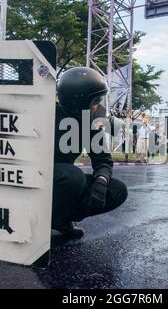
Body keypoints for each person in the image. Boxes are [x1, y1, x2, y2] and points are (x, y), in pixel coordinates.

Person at [52, 67, 128, 239]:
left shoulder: (90, 123)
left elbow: (103, 161)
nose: (99, 106)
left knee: (117, 190)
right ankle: (40, 219)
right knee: (73, 176)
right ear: (77, 101)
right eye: (96, 101)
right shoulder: (45, 114)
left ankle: (61, 220)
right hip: (38, 179)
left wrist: (101, 181)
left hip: (63, 181)